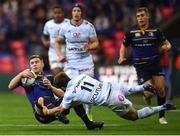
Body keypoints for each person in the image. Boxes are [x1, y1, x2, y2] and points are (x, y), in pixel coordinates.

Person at [8, 55, 104, 130]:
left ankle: (89, 124)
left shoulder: (49, 78)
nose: (34, 64)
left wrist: (51, 87)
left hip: (54, 105)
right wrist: (20, 74)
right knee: (41, 99)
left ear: (42, 64)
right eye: (32, 63)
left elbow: (62, 95)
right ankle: (58, 113)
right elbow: (10, 86)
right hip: (41, 113)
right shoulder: (26, 78)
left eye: (37, 62)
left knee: (73, 97)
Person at [41, 72, 176, 122]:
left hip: (111, 99)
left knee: (134, 116)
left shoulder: (70, 94)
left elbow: (61, 108)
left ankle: (162, 107)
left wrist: (48, 111)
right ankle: (142, 87)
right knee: (128, 90)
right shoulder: (80, 76)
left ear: (63, 88)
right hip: (112, 86)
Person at [118, 7, 172, 124]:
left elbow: (167, 44)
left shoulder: (156, 31)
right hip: (141, 66)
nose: (140, 18)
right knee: (148, 93)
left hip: (155, 63)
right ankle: (146, 97)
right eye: (138, 16)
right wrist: (121, 56)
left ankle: (161, 116)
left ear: (148, 16)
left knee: (161, 90)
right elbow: (124, 46)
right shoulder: (131, 31)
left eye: (142, 15)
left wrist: (166, 47)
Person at [54, 3, 99, 121]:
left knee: (89, 88)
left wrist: (89, 46)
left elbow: (96, 43)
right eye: (74, 10)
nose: (76, 13)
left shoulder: (88, 26)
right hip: (71, 63)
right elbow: (57, 42)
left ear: (81, 13)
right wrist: (59, 55)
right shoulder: (65, 27)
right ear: (71, 13)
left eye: (78, 10)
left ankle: (89, 112)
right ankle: (62, 111)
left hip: (86, 62)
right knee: (69, 87)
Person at [41, 6, 69, 75]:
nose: (57, 15)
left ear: (63, 13)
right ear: (52, 14)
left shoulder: (69, 23)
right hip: (53, 53)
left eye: (59, 13)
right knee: (57, 73)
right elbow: (44, 36)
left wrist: (64, 40)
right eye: (55, 13)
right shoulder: (48, 24)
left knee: (67, 75)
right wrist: (45, 42)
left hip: (67, 53)